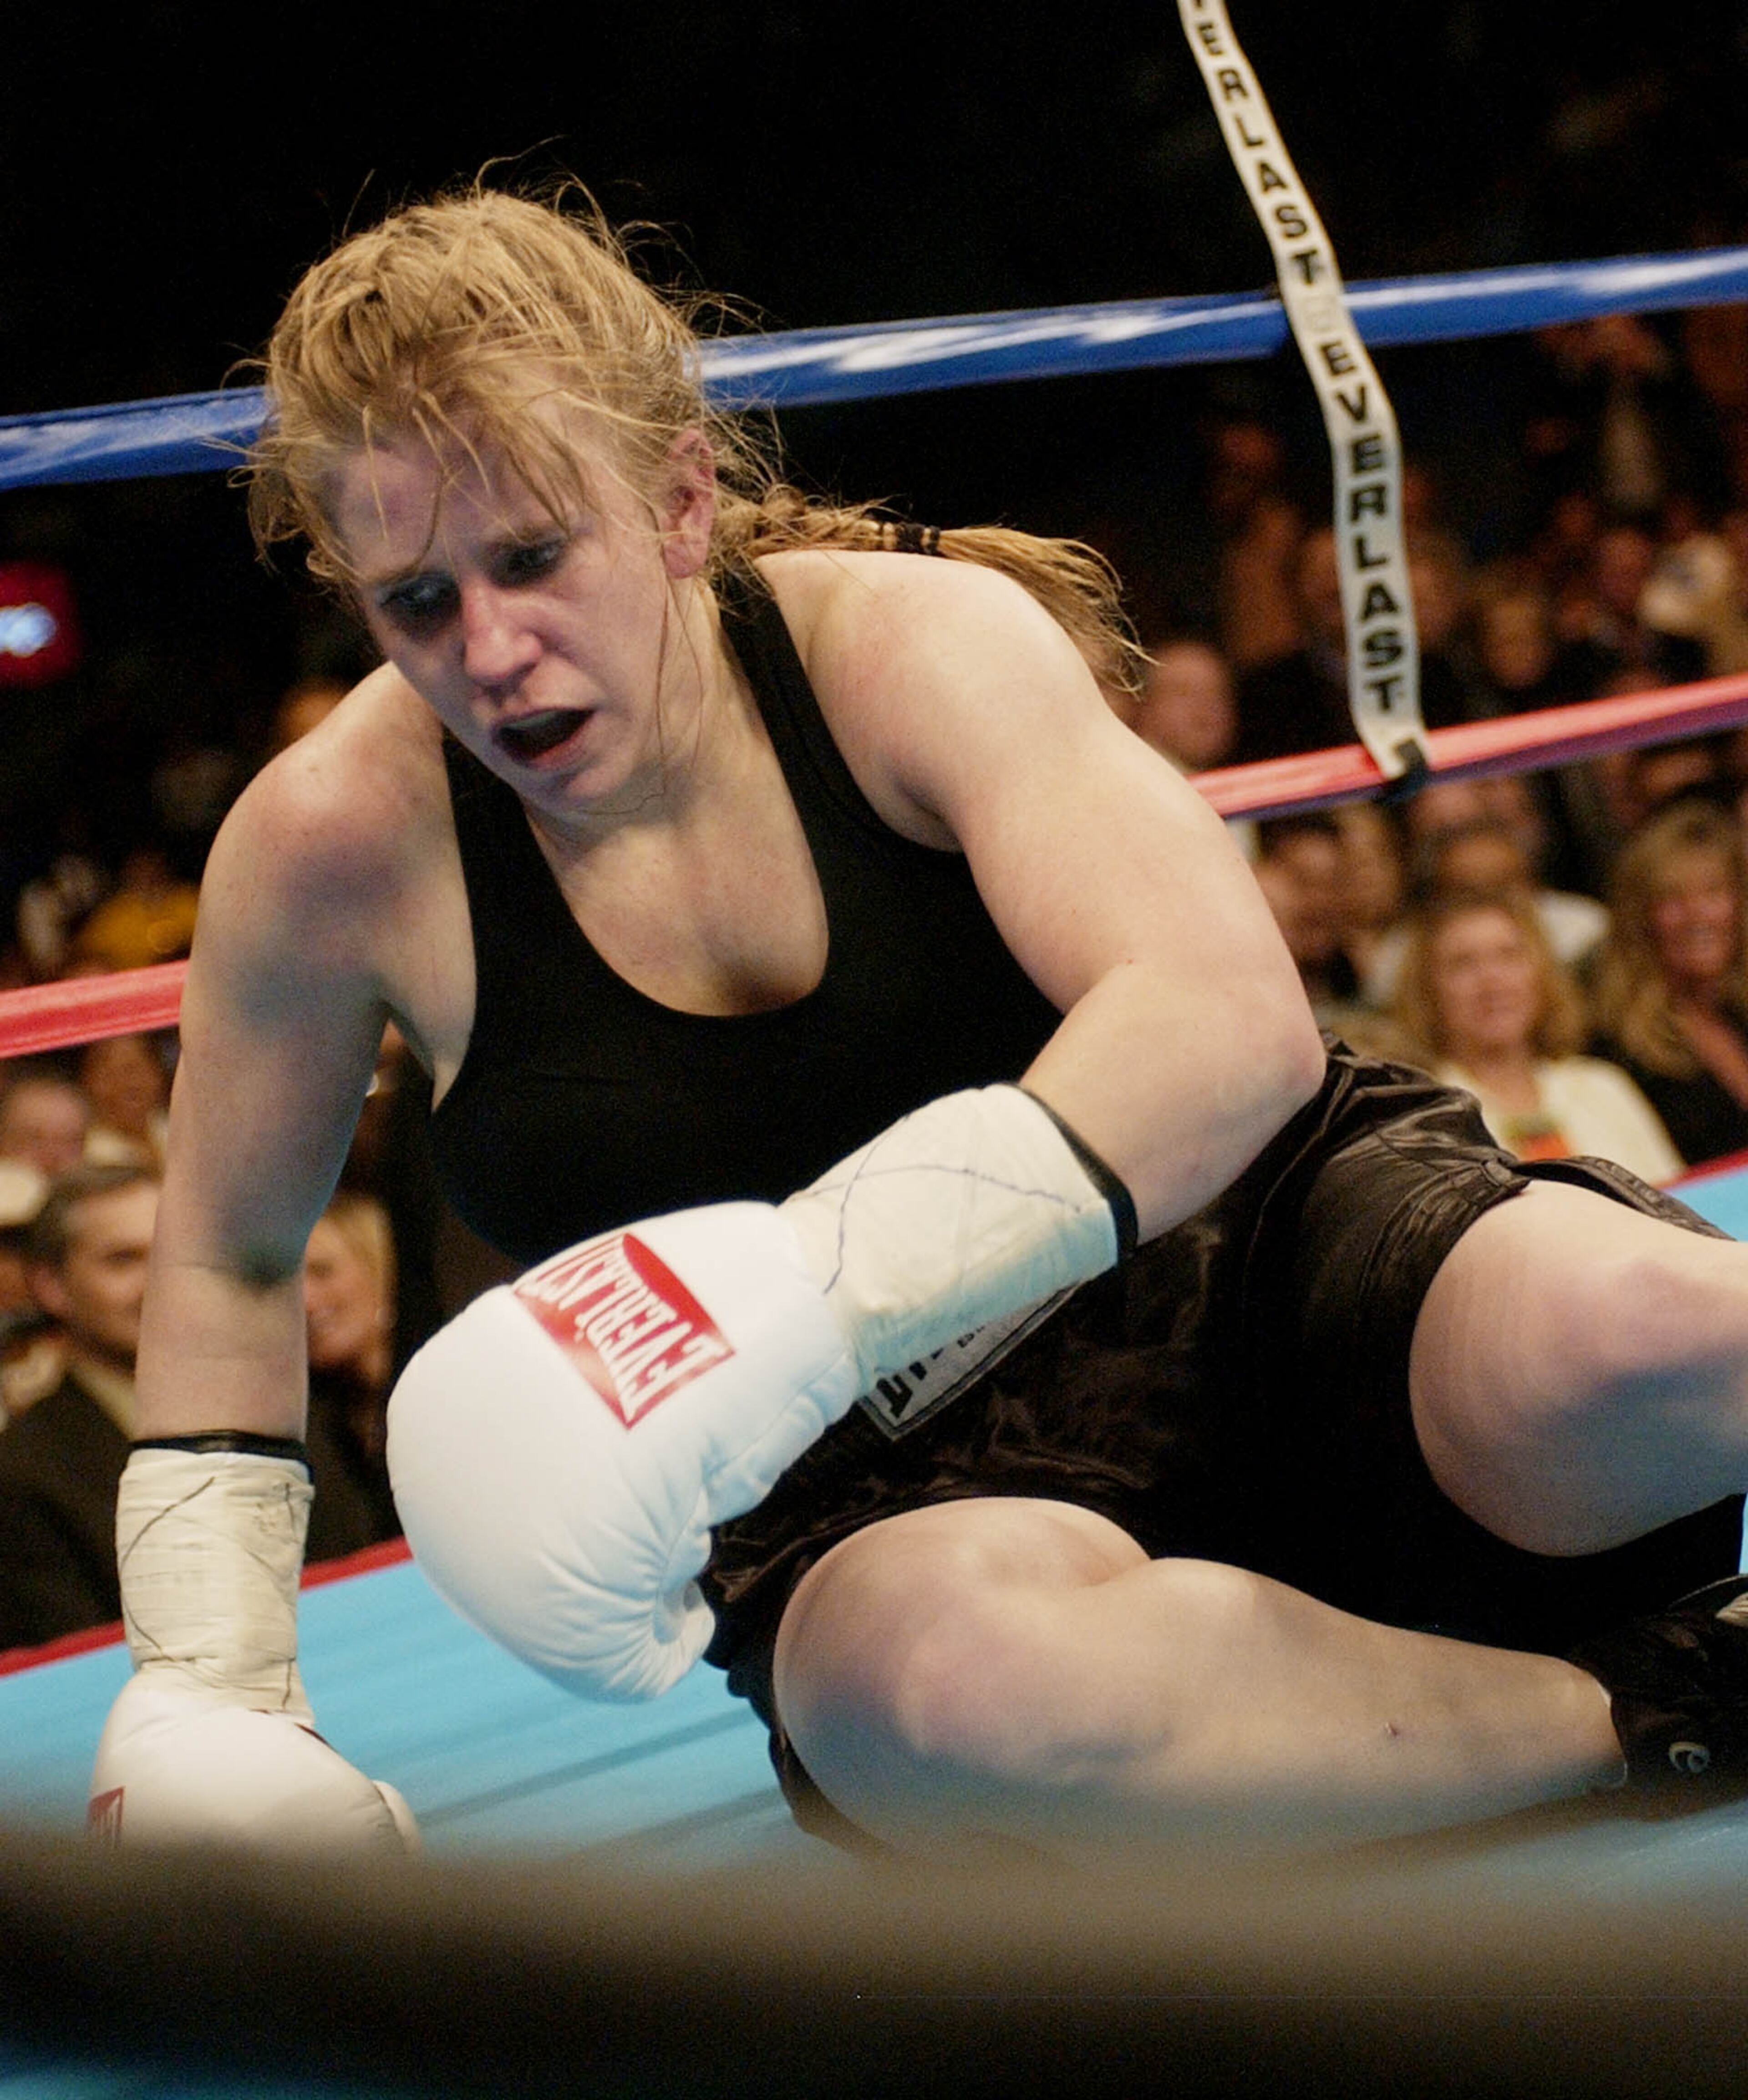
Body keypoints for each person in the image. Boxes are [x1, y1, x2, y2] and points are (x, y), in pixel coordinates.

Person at [93, 188, 1748, 1861]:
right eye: (416, 603)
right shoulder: (331, 851)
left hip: (1258, 1265)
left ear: (675, 499)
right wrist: (207, 1682)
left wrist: (818, 1285)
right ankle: (1663, 1703)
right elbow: (230, 1256)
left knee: (1640, 1323)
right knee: (957, 1706)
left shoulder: (906, 650)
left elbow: (1228, 1016)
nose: (494, 652)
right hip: (887, 1505)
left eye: (530, 558)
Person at [1391, 893, 1681, 1185]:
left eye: (1509, 956)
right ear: (1426, 991)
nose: (1492, 981)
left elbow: (1683, 1204)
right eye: (1463, 964)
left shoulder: (1601, 1086)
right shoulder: (1425, 1122)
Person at [1590, 799, 1748, 1169]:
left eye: (1713, 892)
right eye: (1673, 899)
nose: (1697, 915)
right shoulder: (1616, 1053)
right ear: (1641, 916)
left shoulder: (1738, 1012)